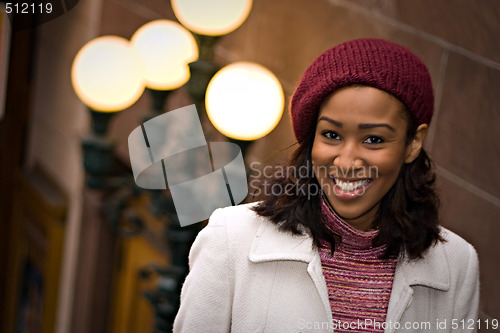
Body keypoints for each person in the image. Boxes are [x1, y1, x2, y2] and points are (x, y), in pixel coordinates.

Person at [173, 38, 480, 333]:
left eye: (373, 139)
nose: (346, 162)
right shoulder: (231, 238)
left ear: (413, 143)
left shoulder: (457, 264)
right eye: (331, 135)